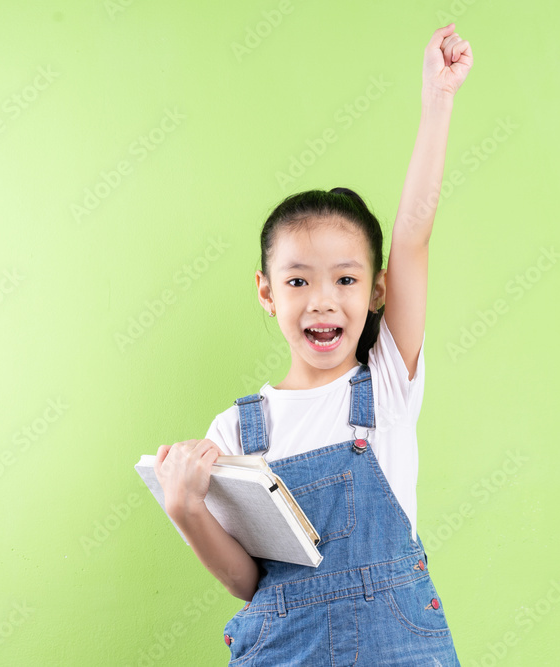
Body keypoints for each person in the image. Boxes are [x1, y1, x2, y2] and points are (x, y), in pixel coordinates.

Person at [153, 23, 472, 665]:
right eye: (298, 280)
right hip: (285, 649)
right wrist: (184, 504)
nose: (323, 299)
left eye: (346, 280)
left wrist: (437, 103)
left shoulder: (387, 377)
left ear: (377, 292)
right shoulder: (235, 431)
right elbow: (251, 584)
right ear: (268, 294)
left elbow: (411, 235)